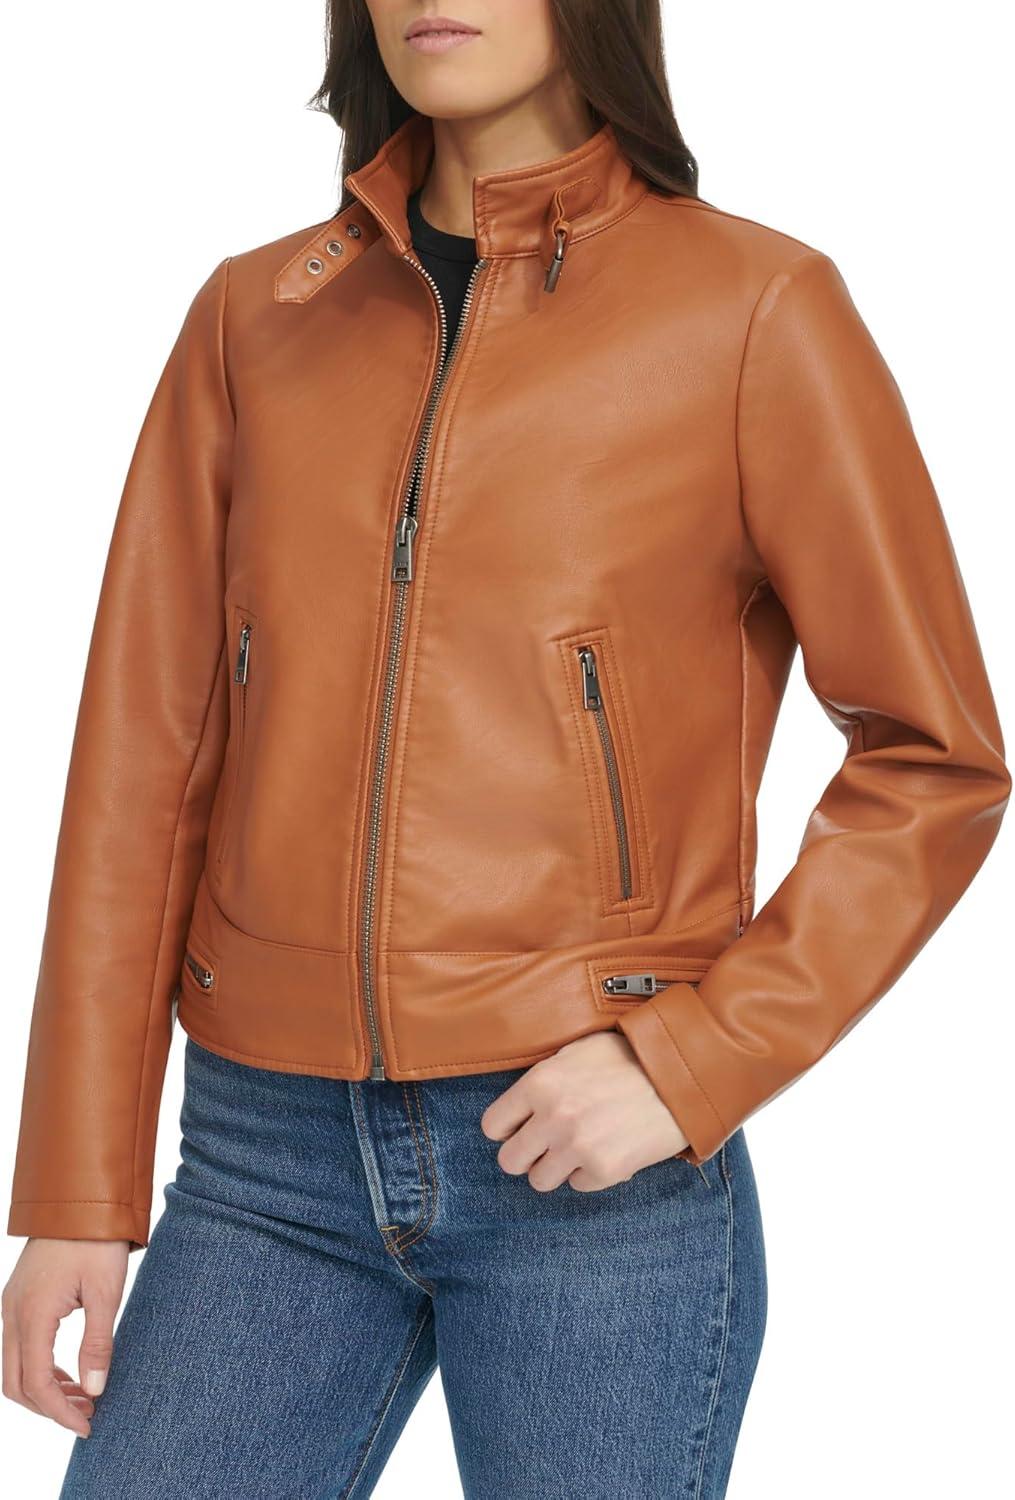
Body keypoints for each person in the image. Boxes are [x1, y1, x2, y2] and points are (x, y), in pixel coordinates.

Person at [2, 2, 1009, 1496]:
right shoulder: (254, 319)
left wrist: (694, 1061)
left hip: (590, 1161)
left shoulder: (753, 310)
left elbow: (934, 757)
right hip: (264, 1158)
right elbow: (141, 767)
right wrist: (77, 1188)